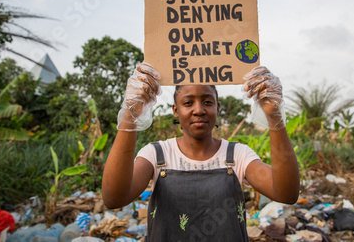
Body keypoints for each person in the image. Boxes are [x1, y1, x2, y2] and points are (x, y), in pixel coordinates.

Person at [102, 62, 300, 241]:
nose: (199, 110)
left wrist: (275, 117)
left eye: (207, 102)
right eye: (188, 103)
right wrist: (130, 114)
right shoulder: (156, 154)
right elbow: (114, 198)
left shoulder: (238, 155)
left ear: (217, 107)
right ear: (176, 111)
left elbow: (286, 193)